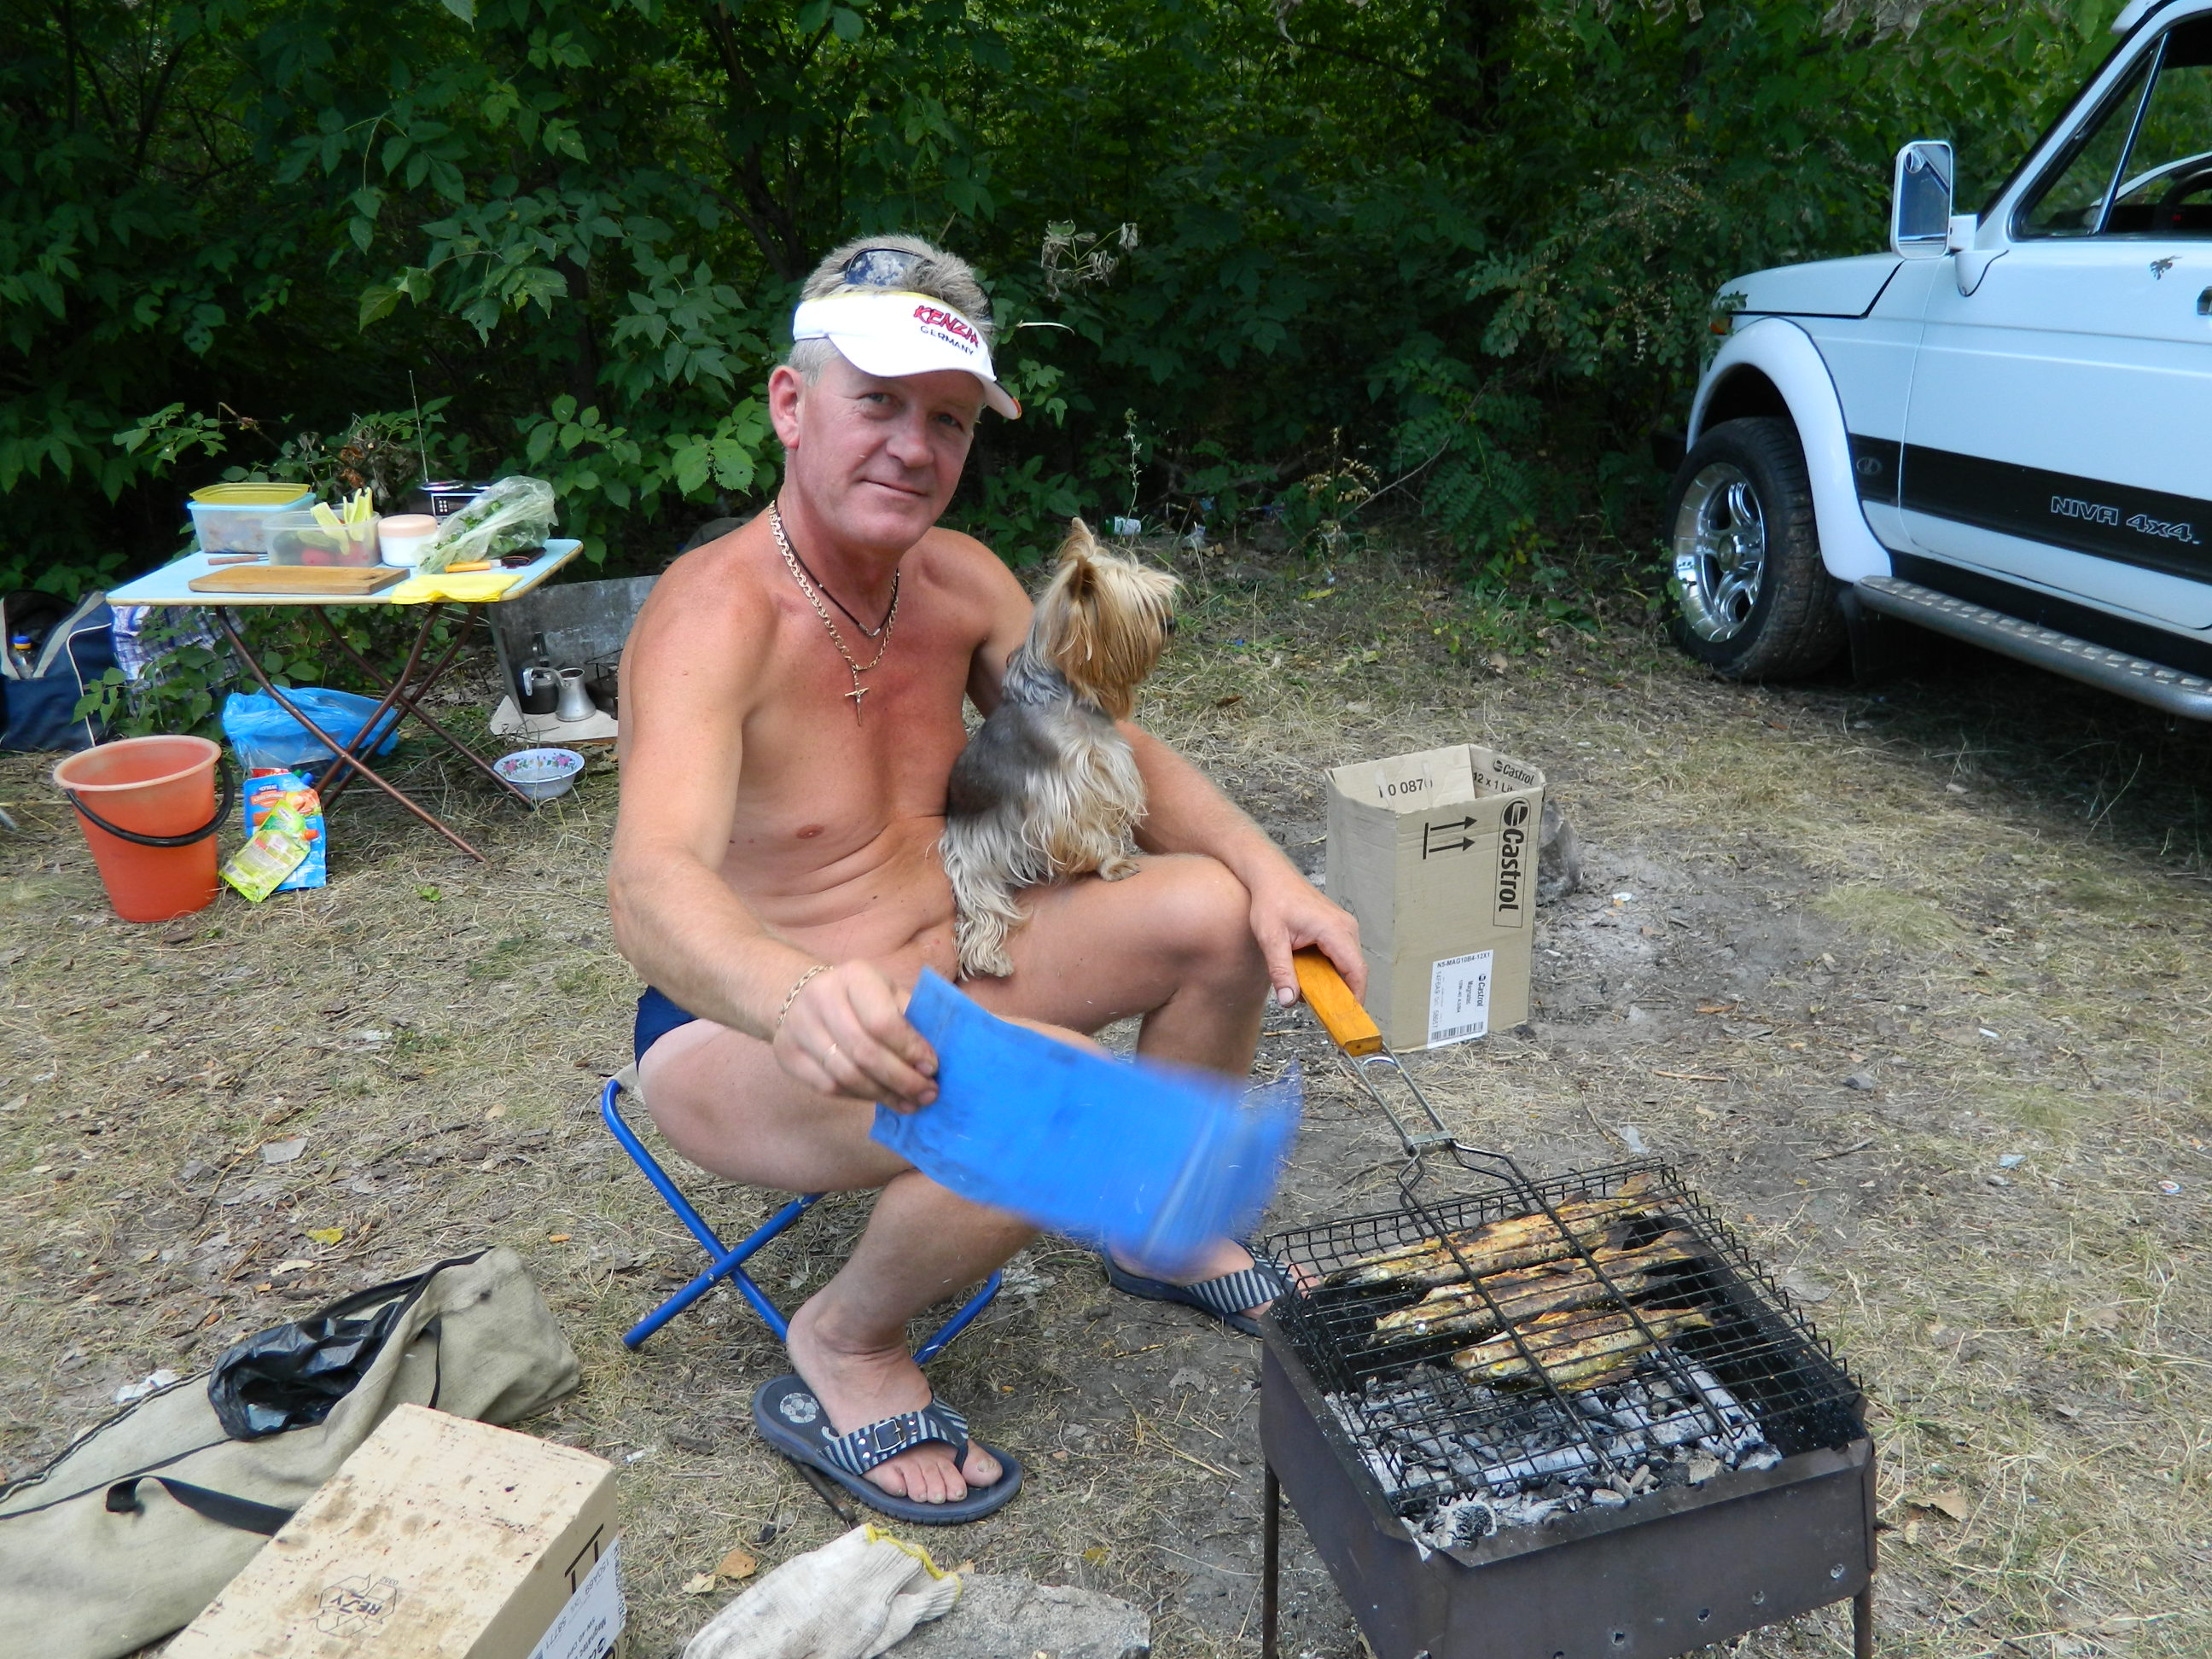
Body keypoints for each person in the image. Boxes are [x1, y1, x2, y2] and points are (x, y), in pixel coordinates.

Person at [609, 233, 1363, 1520]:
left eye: (948, 419)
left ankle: (1163, 1234)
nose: (914, 447)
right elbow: (650, 881)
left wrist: (1270, 870)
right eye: (879, 403)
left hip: (956, 948)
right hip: (749, 1024)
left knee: (1219, 915)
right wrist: (792, 994)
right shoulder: (712, 613)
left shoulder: (958, 580)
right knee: (1051, 1101)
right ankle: (847, 1341)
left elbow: (1101, 751)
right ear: (792, 405)